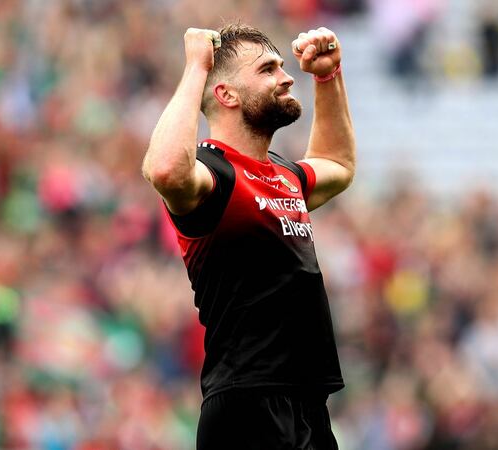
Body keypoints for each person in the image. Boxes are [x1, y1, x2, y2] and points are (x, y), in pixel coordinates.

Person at [141, 22, 356, 449]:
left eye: (282, 66)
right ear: (226, 94)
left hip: (307, 406)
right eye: (268, 69)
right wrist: (196, 68)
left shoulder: (284, 174)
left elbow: (337, 164)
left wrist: (328, 76)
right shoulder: (214, 174)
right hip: (248, 407)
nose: (286, 77)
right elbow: (165, 170)